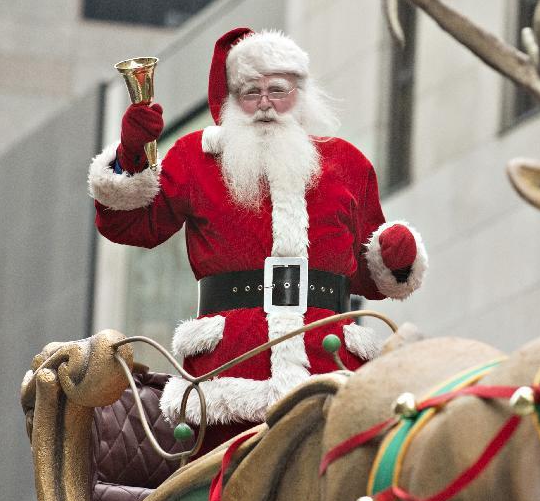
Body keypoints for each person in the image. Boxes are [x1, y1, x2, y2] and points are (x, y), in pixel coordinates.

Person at [88, 27, 427, 452]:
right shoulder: (197, 157)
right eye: (251, 91)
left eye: (278, 90)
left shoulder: (348, 163)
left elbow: (370, 277)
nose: (265, 103)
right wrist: (132, 155)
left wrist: (397, 254)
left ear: (300, 93)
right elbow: (132, 226)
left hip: (330, 361)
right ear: (230, 99)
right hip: (232, 367)